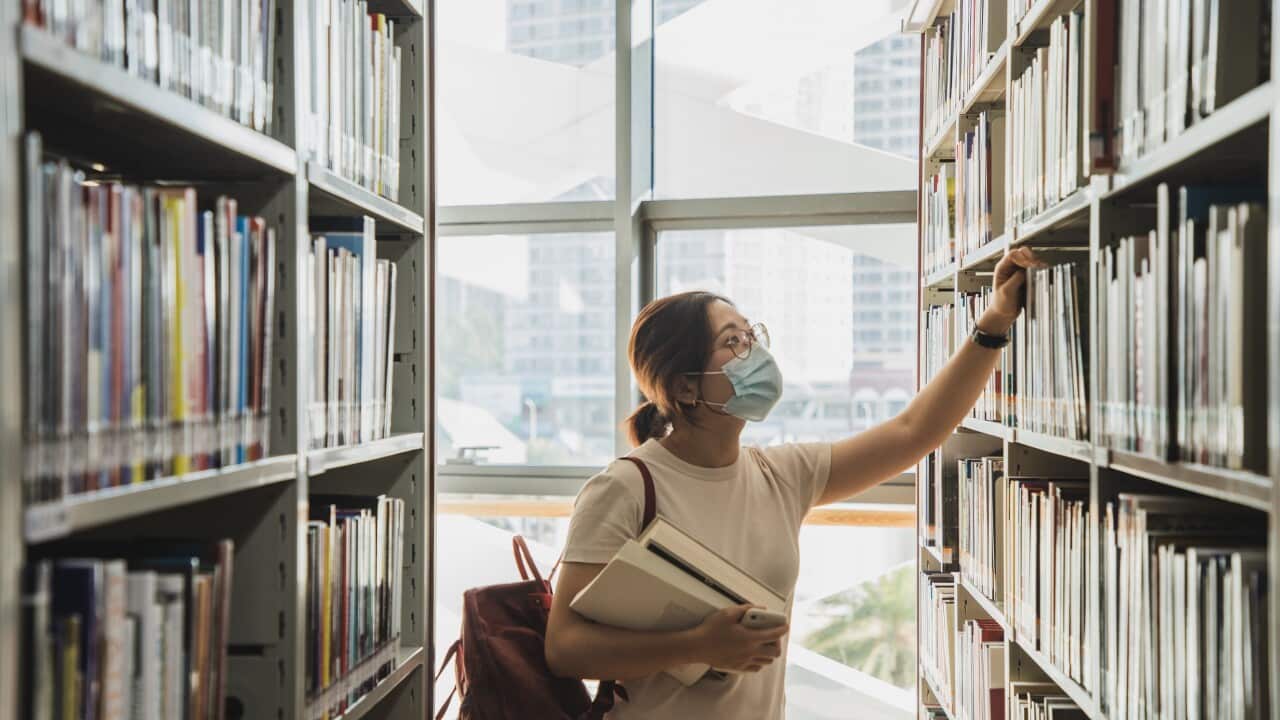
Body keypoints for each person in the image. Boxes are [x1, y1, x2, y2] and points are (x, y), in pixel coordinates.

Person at [544, 247, 1044, 718]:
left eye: (752, 336)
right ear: (685, 386)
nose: (754, 353)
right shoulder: (625, 488)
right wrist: (698, 645)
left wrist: (994, 322)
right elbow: (564, 647)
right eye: (732, 343)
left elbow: (913, 432)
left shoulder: (780, 474)